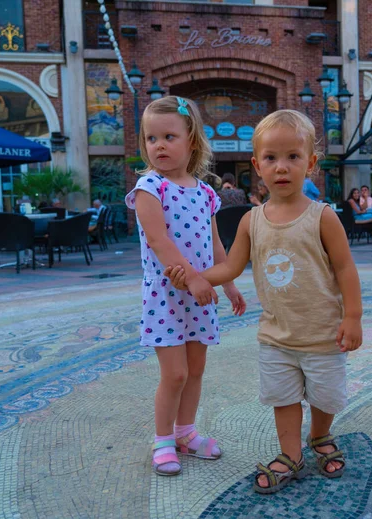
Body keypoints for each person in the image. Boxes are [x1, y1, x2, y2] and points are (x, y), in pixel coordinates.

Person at [165, 109, 363, 493]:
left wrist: (352, 317)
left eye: (293, 157)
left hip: (323, 334)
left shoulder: (322, 217)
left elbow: (346, 269)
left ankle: (319, 435)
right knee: (283, 397)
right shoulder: (251, 221)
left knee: (326, 396)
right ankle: (291, 452)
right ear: (257, 165)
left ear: (312, 163)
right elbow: (231, 267)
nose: (282, 167)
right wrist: (194, 277)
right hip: (276, 335)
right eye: (271, 158)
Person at [124, 96, 246, 477]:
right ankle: (162, 439)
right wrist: (191, 277)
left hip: (201, 293)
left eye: (169, 136)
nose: (159, 145)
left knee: (195, 369)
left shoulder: (206, 192)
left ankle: (186, 432)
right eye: (151, 138)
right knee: (174, 373)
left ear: (191, 140)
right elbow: (160, 241)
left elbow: (215, 243)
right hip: (168, 294)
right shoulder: (149, 187)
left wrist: (229, 283)